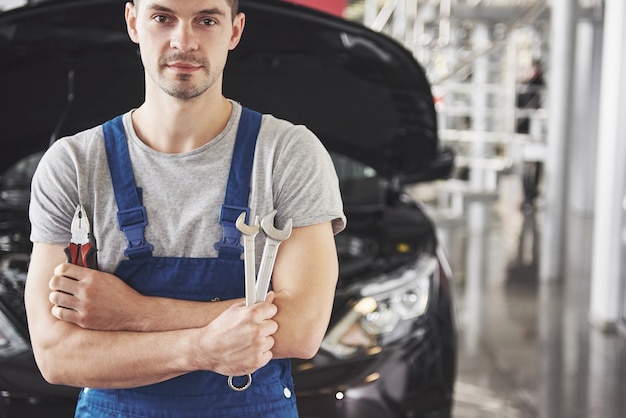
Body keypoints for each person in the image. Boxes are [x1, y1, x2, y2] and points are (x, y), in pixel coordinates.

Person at [24, 0, 346, 417]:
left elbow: (301, 329)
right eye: (163, 18)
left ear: (234, 31)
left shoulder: (287, 154)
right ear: (133, 22)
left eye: (206, 20)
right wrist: (202, 348)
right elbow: (57, 355)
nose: (184, 41)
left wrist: (133, 313)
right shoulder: (73, 165)